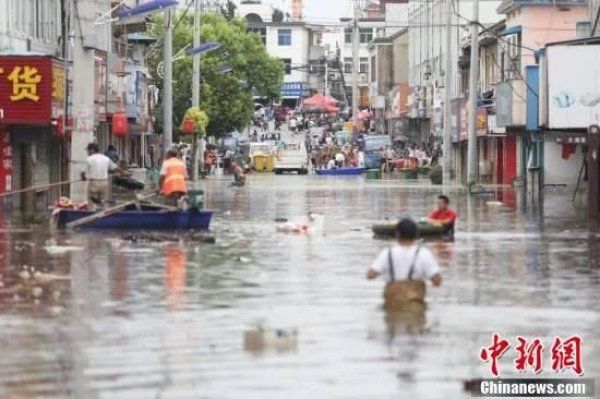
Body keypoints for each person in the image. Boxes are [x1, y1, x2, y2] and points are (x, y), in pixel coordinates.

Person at [366, 218, 442, 311]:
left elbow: (370, 275)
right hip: (415, 309)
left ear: (397, 234)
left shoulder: (387, 253)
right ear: (416, 235)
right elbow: (437, 281)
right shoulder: (424, 254)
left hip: (392, 309)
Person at [81, 143, 129, 210]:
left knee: (92, 202)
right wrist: (124, 173)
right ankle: (104, 215)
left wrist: (83, 178)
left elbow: (83, 173)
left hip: (93, 183)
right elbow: (115, 167)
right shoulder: (105, 158)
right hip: (104, 183)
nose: (88, 152)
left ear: (92, 150)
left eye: (88, 150)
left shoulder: (89, 159)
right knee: (104, 202)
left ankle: (92, 215)